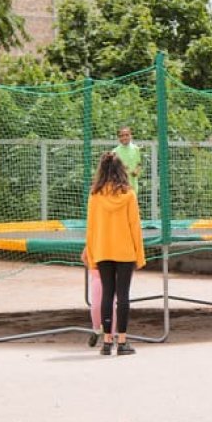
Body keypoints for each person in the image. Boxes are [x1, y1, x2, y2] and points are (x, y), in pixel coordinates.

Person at [85, 152, 145, 356]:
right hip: (125, 251)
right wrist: (139, 255)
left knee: (107, 295)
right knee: (123, 296)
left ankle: (106, 342)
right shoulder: (129, 195)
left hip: (103, 251)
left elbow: (91, 228)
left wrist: (92, 255)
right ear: (121, 171)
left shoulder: (94, 196)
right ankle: (122, 341)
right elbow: (134, 226)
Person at [81, 247, 116, 348]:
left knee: (111, 304)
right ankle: (96, 330)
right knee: (96, 306)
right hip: (98, 274)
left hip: (114, 274)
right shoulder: (95, 239)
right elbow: (84, 257)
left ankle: (110, 336)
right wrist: (93, 268)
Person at [112, 126, 142, 195]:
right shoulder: (114, 152)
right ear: (118, 138)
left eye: (127, 135)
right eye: (121, 136)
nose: (124, 137)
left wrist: (136, 171)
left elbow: (139, 164)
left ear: (131, 136)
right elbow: (111, 170)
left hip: (133, 186)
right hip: (119, 186)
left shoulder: (136, 149)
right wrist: (122, 169)